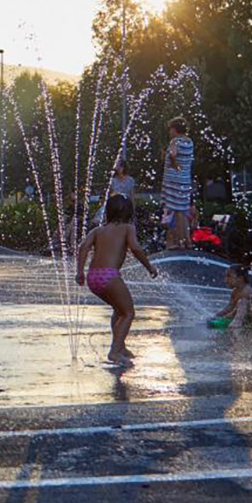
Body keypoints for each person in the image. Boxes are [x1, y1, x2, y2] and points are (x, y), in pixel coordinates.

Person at [75, 195, 159, 366]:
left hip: (93, 277)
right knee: (128, 313)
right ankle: (114, 351)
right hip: (110, 276)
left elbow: (83, 247)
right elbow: (135, 248)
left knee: (118, 309)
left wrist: (80, 272)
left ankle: (120, 346)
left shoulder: (98, 231)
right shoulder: (128, 228)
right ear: (129, 212)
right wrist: (149, 267)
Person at [162, 117, 194, 250]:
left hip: (173, 181)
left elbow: (173, 155)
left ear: (175, 129)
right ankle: (186, 240)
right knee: (182, 211)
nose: (169, 131)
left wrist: (174, 164)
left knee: (174, 211)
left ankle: (177, 242)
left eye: (170, 129)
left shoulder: (175, 141)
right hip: (185, 180)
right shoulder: (189, 141)